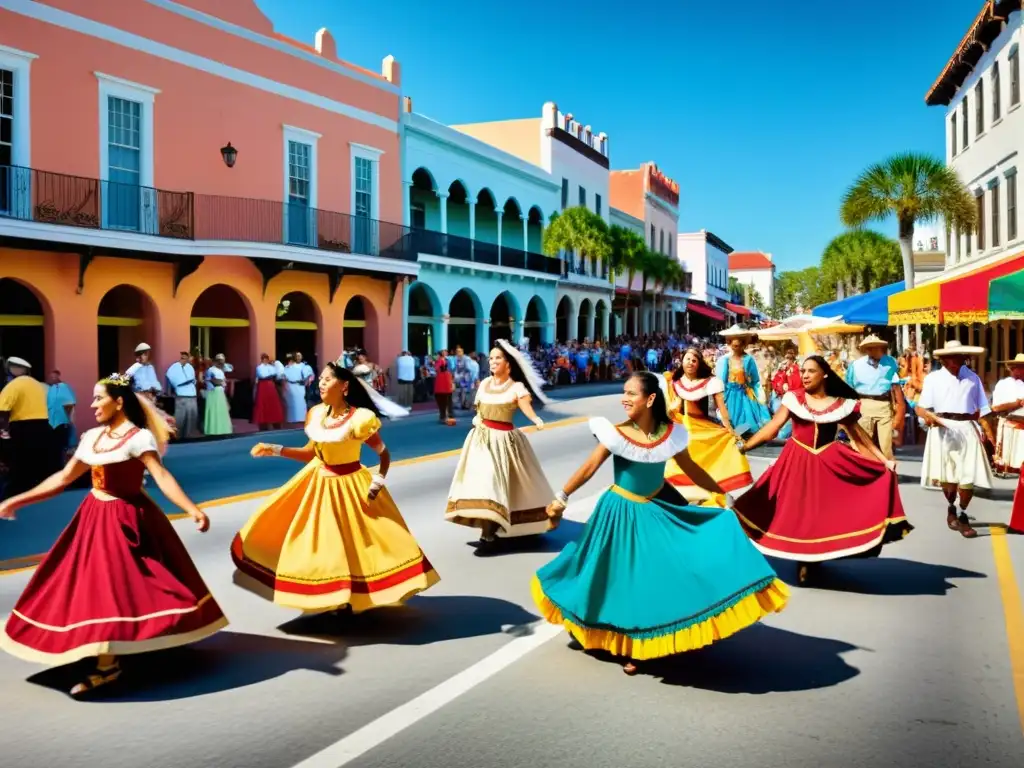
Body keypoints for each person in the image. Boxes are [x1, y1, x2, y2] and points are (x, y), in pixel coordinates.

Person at [532, 371, 788, 675]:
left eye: (631, 393)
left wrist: (724, 495)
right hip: (619, 512)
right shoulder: (616, 432)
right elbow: (589, 467)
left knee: (649, 578)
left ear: (650, 399)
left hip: (654, 508)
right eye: (624, 392)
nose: (624, 398)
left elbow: (693, 469)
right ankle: (621, 639)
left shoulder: (672, 434)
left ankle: (645, 642)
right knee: (607, 576)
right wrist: (561, 497)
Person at [0, 373, 224, 697]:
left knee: (116, 586)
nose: (92, 405)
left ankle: (108, 665)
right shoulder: (91, 437)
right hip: (93, 517)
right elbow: (63, 478)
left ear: (119, 402)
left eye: (98, 398)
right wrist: (17, 499)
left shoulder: (138, 438)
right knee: (86, 586)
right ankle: (104, 647)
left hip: (128, 518)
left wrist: (192, 509)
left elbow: (161, 475)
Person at [232, 362, 439, 612]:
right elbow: (311, 454)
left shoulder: (361, 419)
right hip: (320, 485)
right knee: (323, 544)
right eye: (320, 378)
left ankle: (352, 597)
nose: (321, 383)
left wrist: (377, 482)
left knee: (360, 545)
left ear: (344, 386)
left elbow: (384, 455)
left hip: (353, 485)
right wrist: (275, 449)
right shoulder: (317, 414)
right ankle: (334, 599)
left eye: (327, 379)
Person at [734, 355, 910, 585]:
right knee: (795, 510)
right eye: (803, 371)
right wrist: (744, 447)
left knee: (821, 514)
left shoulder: (840, 403)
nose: (805, 375)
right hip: (796, 461)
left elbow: (859, 437)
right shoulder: (794, 399)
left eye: (811, 371)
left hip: (828, 461)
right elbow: (773, 428)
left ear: (824, 374)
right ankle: (803, 561)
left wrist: (883, 461)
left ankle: (812, 559)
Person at [446, 339, 554, 555]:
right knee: (484, 484)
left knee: (505, 486)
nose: (493, 361)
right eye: (491, 358)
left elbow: (525, 406)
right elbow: (478, 411)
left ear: (509, 364)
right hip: (480, 441)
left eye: (498, 358)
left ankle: (492, 533)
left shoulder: (516, 387)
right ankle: (488, 530)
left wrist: (535, 419)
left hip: (504, 441)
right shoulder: (484, 384)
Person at [915, 341, 995, 539]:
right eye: (951, 357)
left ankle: (963, 514)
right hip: (942, 429)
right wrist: (928, 419)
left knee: (968, 477)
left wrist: (992, 438)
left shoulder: (973, 378)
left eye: (959, 357)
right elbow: (922, 408)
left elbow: (983, 411)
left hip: (967, 428)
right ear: (943, 359)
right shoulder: (933, 379)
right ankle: (951, 507)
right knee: (947, 477)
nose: (955, 361)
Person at [663, 347, 752, 502]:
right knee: (677, 461)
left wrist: (730, 430)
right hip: (684, 428)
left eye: (694, 360)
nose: (690, 363)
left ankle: (715, 491)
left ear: (699, 364)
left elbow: (722, 410)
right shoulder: (675, 383)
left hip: (704, 428)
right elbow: (669, 410)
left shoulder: (711, 383)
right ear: (682, 361)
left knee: (711, 458)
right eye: (688, 359)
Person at [0, 357, 59, 499]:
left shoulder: (14, 385)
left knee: (18, 466)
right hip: (44, 426)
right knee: (38, 465)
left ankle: (12, 499)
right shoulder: (39, 385)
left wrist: (4, 429)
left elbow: (2, 409)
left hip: (23, 428)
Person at [845, 336, 906, 459]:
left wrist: (899, 412)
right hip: (864, 405)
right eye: (870, 348)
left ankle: (888, 474)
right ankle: (863, 473)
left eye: (876, 347)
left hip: (884, 405)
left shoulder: (891, 362)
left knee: (886, 446)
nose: (873, 350)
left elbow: (896, 386)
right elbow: (848, 388)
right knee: (863, 444)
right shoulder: (856, 365)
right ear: (866, 350)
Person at [716, 325, 771, 437]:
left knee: (747, 421)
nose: (737, 347)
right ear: (730, 344)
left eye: (740, 345)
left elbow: (755, 379)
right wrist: (722, 399)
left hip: (745, 395)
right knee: (731, 421)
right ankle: (735, 439)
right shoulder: (724, 360)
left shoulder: (748, 359)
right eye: (734, 345)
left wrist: (758, 394)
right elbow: (721, 382)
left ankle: (742, 439)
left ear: (744, 344)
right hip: (730, 395)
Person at [991, 353, 1024, 476]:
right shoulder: (1004, 384)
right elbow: (996, 407)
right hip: (1009, 424)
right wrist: (1017, 403)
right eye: (1020, 367)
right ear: (1013, 368)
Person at [252, 353, 283, 430]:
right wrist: (270, 375)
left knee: (272, 402)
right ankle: (263, 422)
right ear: (262, 359)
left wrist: (271, 374)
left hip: (270, 385)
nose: (265, 360)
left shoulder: (271, 367)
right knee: (263, 402)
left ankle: (274, 421)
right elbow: (262, 375)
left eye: (266, 358)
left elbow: (275, 373)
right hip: (263, 385)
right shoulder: (259, 367)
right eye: (264, 358)